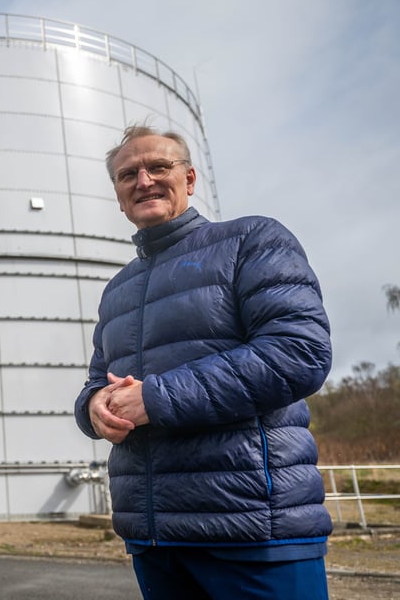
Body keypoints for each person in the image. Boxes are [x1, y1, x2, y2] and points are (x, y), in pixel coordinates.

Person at [74, 125, 332, 599]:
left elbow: (299, 352)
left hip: (252, 529)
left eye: (158, 167)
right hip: (154, 536)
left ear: (189, 179)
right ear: (118, 195)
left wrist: (153, 398)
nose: (144, 180)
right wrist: (94, 409)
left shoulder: (252, 240)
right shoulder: (118, 290)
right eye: (129, 174)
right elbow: (97, 380)